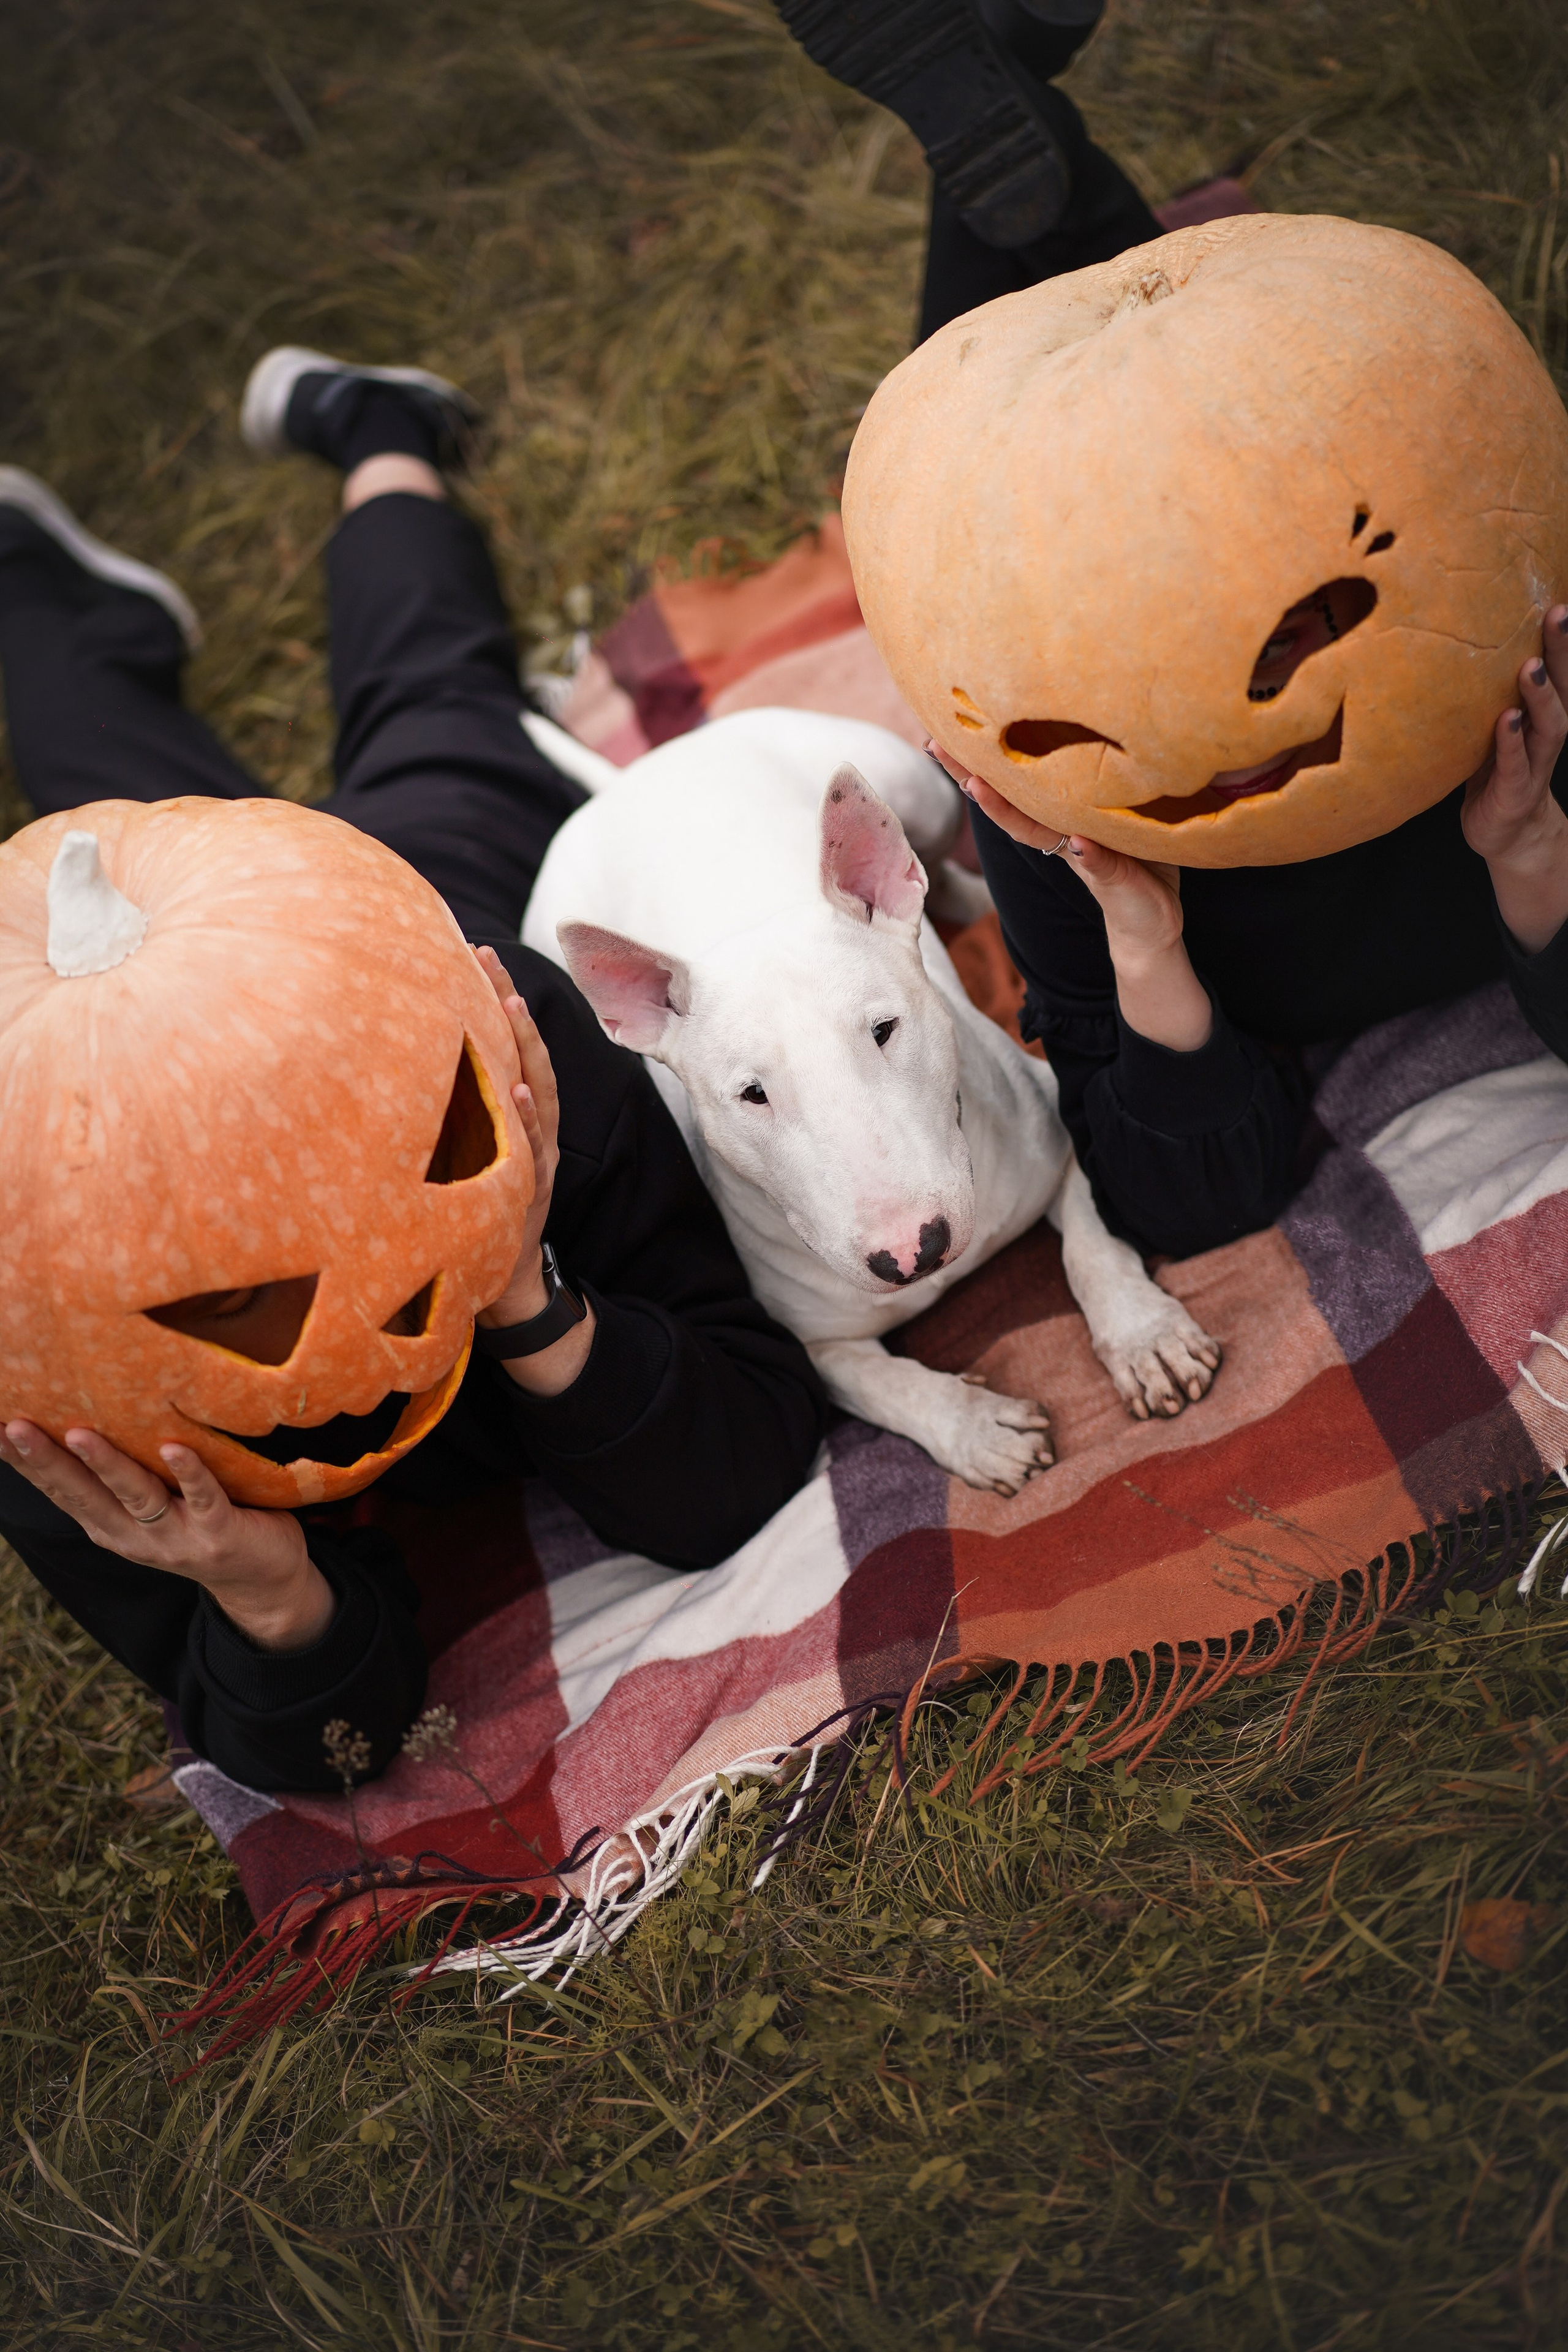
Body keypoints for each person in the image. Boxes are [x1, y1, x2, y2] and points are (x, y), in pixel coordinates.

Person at [0, 350, 831, 1793]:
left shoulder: (498, 1043)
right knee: (88, 789)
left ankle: (379, 431)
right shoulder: (45, 1354)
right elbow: (330, 1748)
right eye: (236, 1298)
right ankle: (40, 585)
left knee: (431, 699)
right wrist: (266, 1592)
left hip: (396, 901)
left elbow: (743, 1462)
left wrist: (525, 1289)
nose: (356, 1321)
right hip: (144, 964)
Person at [776, 0, 1568, 1261]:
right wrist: (1142, 942)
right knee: (1049, 425)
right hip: (1077, 644)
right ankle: (992, 102)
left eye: (1284, 639)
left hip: (1375, 572)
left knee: (1192, 396)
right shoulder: (1065, 767)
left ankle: (985, 104)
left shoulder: (1516, 673)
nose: (1215, 715)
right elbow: (1176, 1204)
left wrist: (1529, 847)